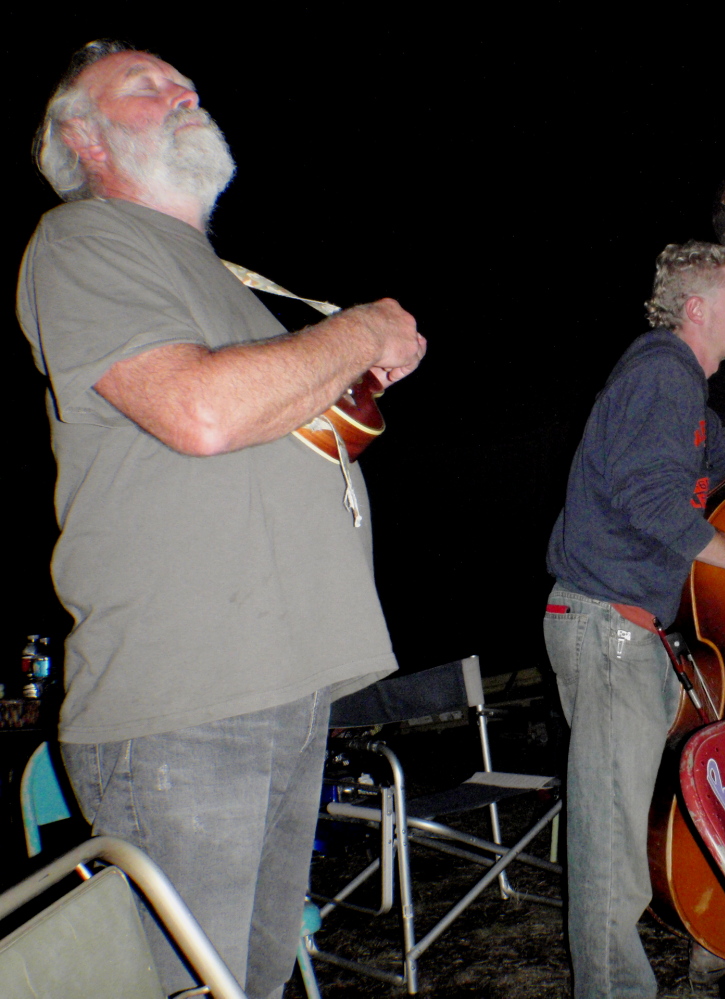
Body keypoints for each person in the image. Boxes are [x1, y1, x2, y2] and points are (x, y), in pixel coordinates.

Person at [17, 41, 426, 999]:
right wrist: (360, 329)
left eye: (185, 82)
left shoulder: (218, 277)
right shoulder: (82, 241)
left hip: (284, 684)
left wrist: (345, 372)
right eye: (147, 86)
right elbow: (200, 411)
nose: (183, 92)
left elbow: (270, 420)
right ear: (85, 139)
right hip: (186, 704)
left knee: (253, 980)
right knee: (198, 987)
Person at [543, 240, 725, 999]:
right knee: (610, 845)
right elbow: (651, 501)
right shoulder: (661, 371)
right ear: (696, 308)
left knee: (628, 826)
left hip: (629, 628)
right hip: (608, 625)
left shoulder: (678, 387)